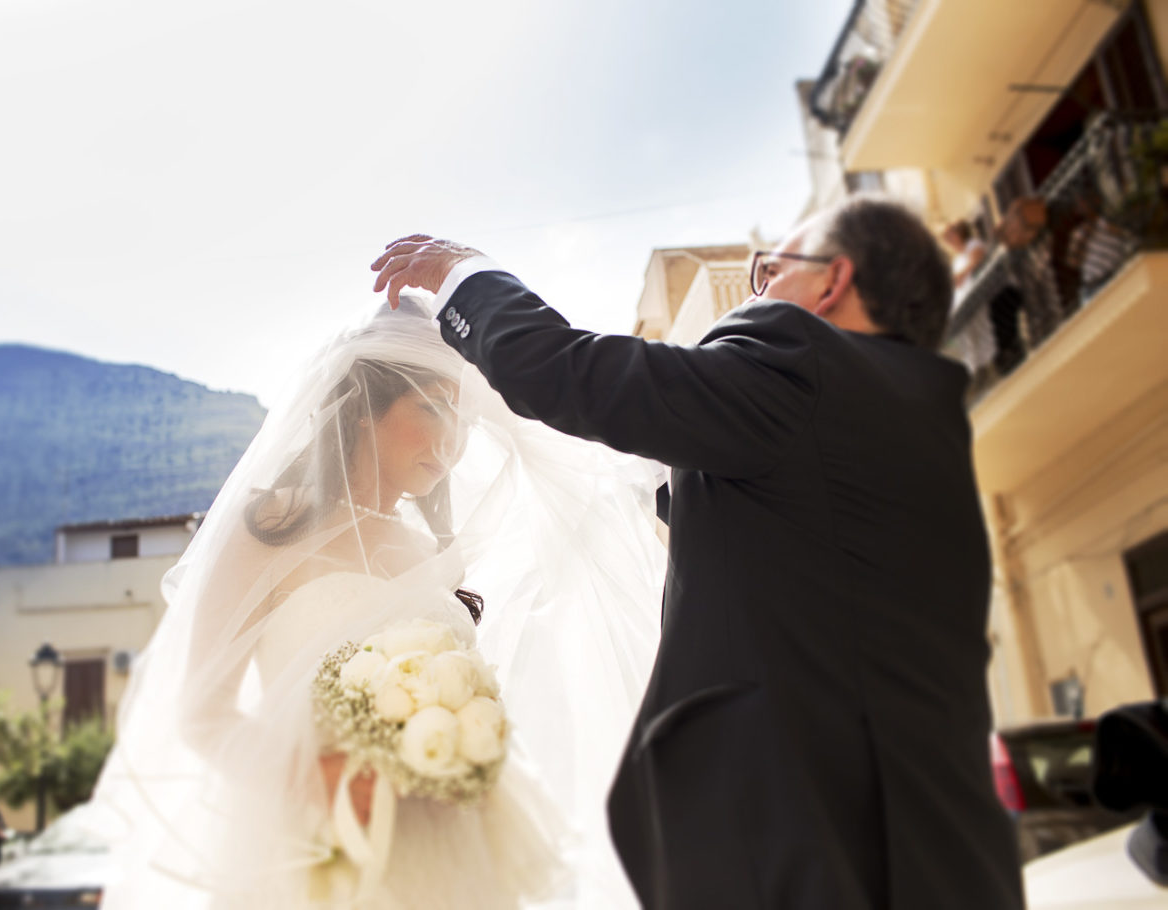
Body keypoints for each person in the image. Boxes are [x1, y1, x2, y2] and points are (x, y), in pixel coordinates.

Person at [370, 194, 1026, 910]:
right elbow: (793, 539)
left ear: (832, 282)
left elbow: (567, 372)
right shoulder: (924, 423)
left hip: (801, 838)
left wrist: (468, 276)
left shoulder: (797, 353)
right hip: (944, 848)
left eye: (769, 270)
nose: (759, 289)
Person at [85, 296, 665, 908]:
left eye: (464, 421)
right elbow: (203, 715)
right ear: (365, 409)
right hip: (318, 849)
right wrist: (325, 782)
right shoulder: (270, 525)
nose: (451, 442)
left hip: (450, 849)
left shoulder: (429, 552)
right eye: (433, 408)